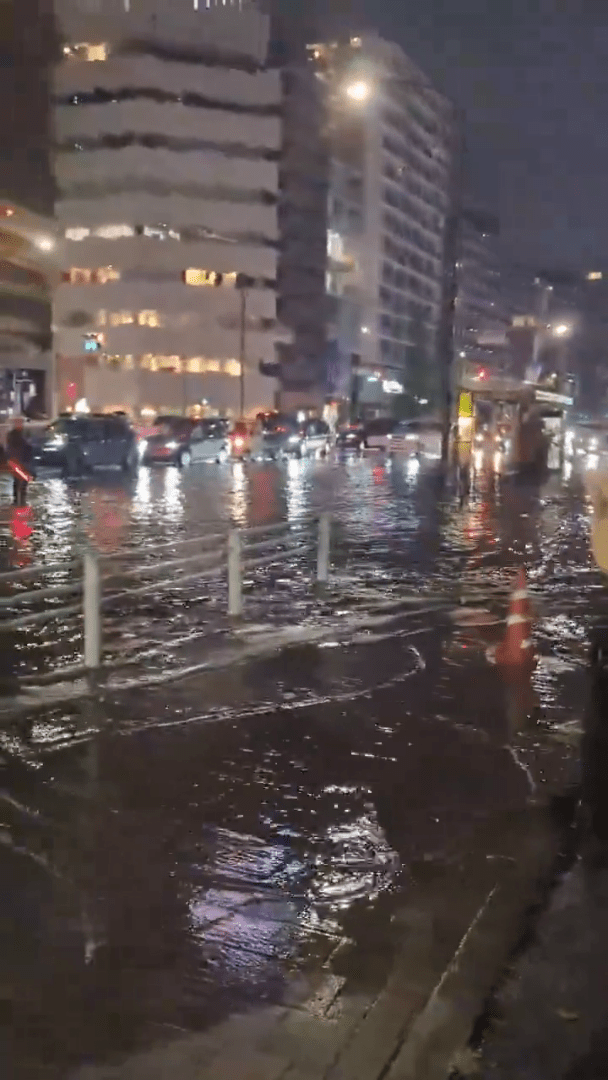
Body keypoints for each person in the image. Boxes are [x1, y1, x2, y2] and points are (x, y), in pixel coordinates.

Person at [6, 418, 32, 505]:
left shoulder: (24, 433)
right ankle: (18, 500)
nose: (20, 424)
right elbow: (12, 446)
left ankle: (21, 499)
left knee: (22, 481)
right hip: (17, 460)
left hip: (23, 460)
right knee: (18, 480)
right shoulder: (14, 434)